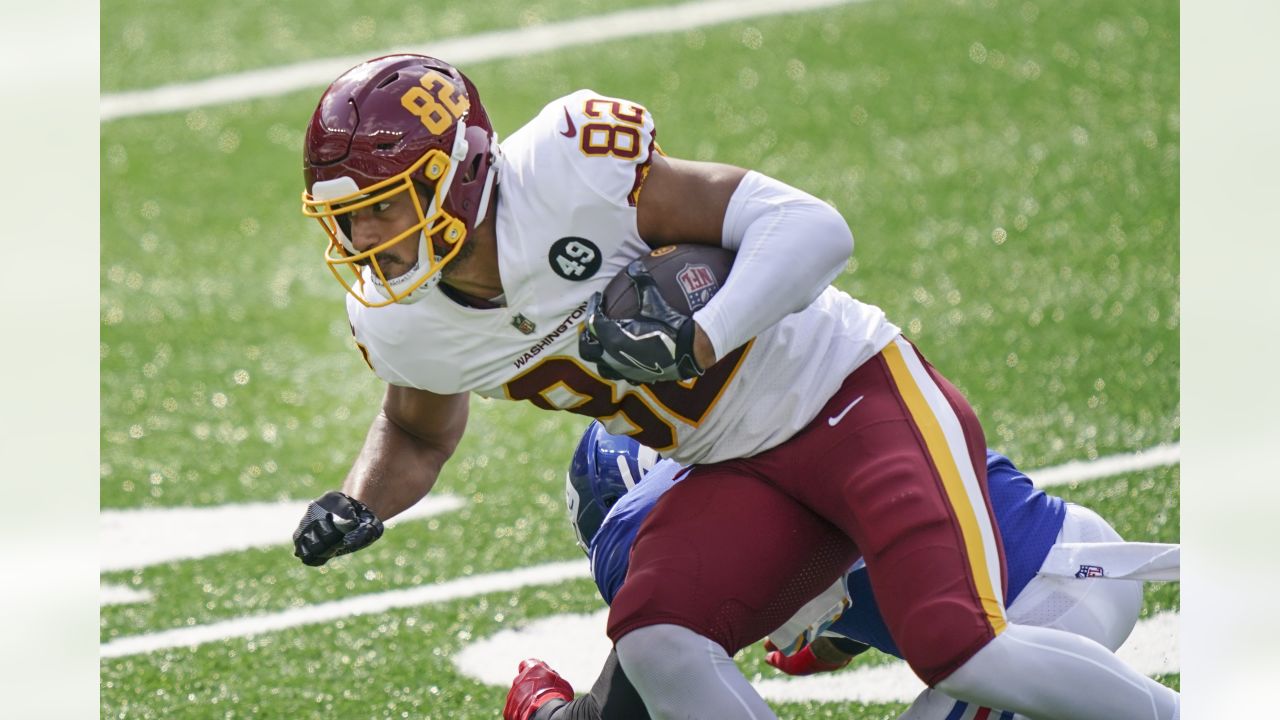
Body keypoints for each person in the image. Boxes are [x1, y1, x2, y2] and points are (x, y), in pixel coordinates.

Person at [289, 53, 1180, 719]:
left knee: (959, 645)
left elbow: (811, 227)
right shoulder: (401, 321)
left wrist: (702, 333)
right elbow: (415, 434)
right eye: (346, 215)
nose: (367, 237)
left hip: (845, 391)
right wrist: (360, 498)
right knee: (656, 636)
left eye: (383, 203)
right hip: (734, 463)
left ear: (461, 173)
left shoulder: (567, 173)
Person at [502, 422, 1180, 720]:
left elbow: (620, 713)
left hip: (1040, 611)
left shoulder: (650, 527)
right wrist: (842, 629)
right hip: (1078, 559)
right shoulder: (772, 427)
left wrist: (539, 707)